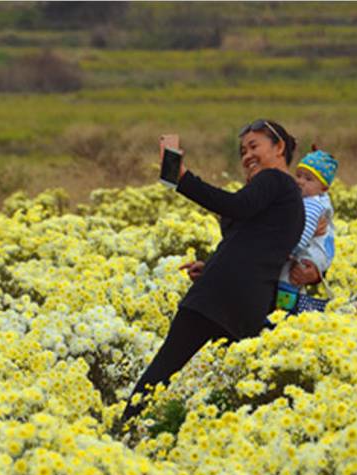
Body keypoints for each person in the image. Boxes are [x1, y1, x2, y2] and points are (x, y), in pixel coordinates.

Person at [118, 119, 305, 428]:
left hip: (219, 295)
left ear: (280, 147)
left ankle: (123, 429)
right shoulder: (286, 196)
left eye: (254, 146)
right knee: (246, 385)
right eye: (243, 151)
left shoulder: (274, 180)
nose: (247, 156)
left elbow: (234, 207)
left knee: (162, 370)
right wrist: (212, 266)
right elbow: (249, 242)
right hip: (247, 301)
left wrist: (182, 178)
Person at [275, 146, 338, 313]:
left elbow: (303, 231)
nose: (300, 181)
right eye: (298, 176)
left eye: (308, 179)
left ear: (324, 188)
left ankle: (282, 313)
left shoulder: (312, 204)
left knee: (288, 280)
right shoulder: (320, 200)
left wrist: (290, 250)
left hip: (308, 254)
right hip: (319, 255)